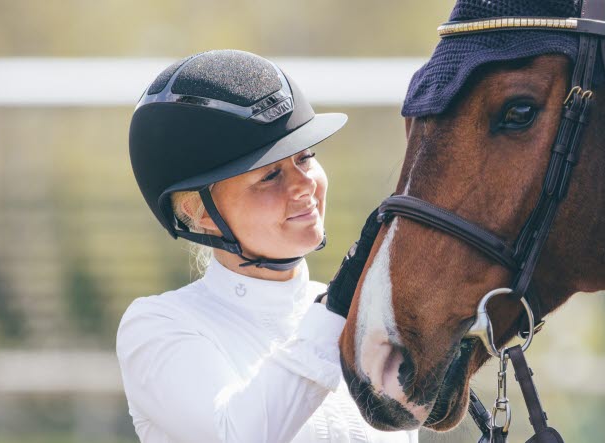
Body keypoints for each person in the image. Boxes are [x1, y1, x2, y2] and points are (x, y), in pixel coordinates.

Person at [117, 49, 418, 443]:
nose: (303, 183)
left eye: (306, 158)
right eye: (270, 175)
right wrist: (335, 311)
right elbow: (237, 435)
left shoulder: (355, 318)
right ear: (201, 213)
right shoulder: (158, 326)